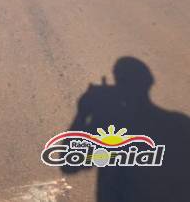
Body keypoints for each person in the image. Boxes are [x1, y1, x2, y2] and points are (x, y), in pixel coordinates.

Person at [63, 57, 190, 201]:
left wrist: (83, 113)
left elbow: (69, 165)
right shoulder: (179, 123)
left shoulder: (109, 128)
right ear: (149, 83)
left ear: (118, 87)